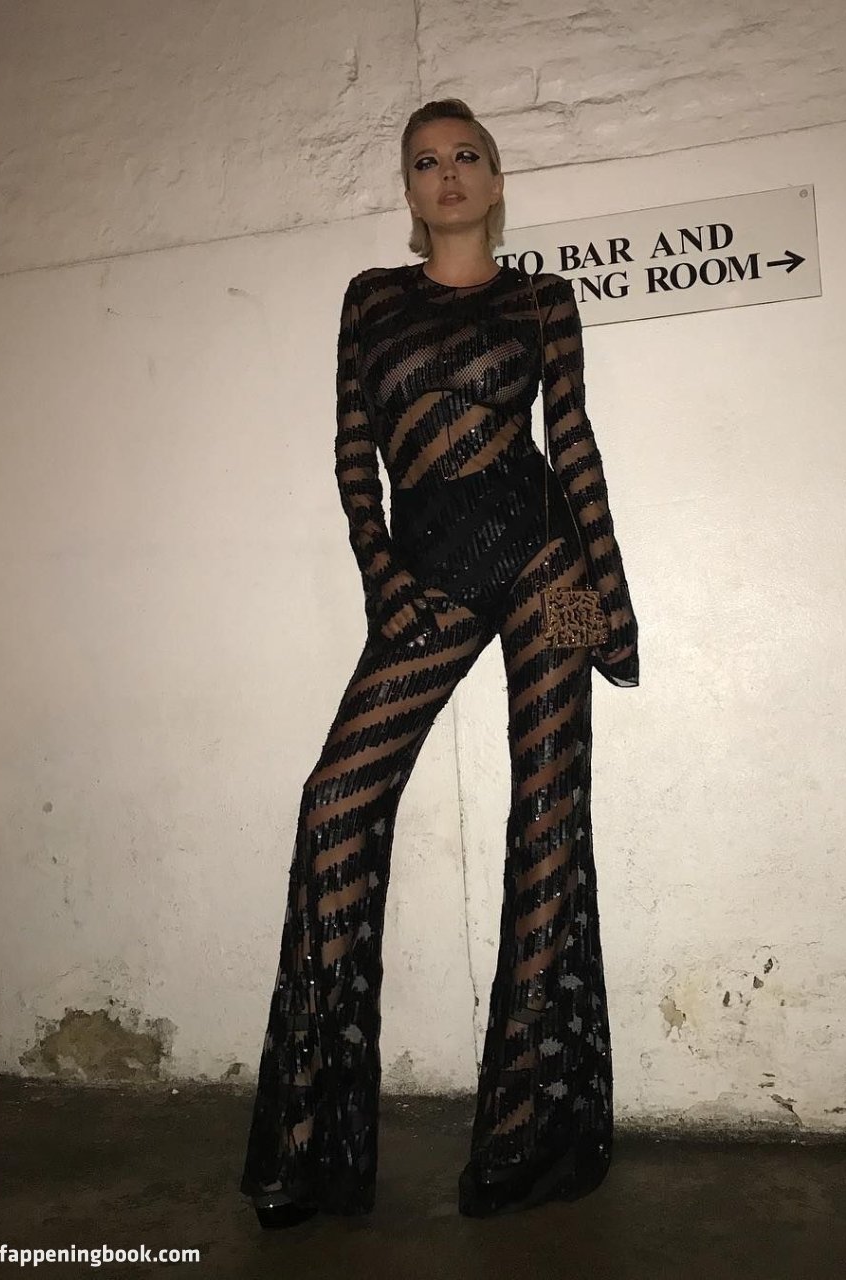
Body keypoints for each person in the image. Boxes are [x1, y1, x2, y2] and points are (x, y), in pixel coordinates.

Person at [239, 97, 639, 1227]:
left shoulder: (543, 301)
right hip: (428, 574)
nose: (448, 173)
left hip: (548, 570)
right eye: (426, 161)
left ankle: (526, 1138)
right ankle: (311, 1147)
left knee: (548, 824)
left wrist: (610, 599)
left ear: (497, 180)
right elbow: (352, 452)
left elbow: (573, 443)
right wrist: (383, 577)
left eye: (467, 156)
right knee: (335, 804)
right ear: (409, 189)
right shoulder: (372, 298)